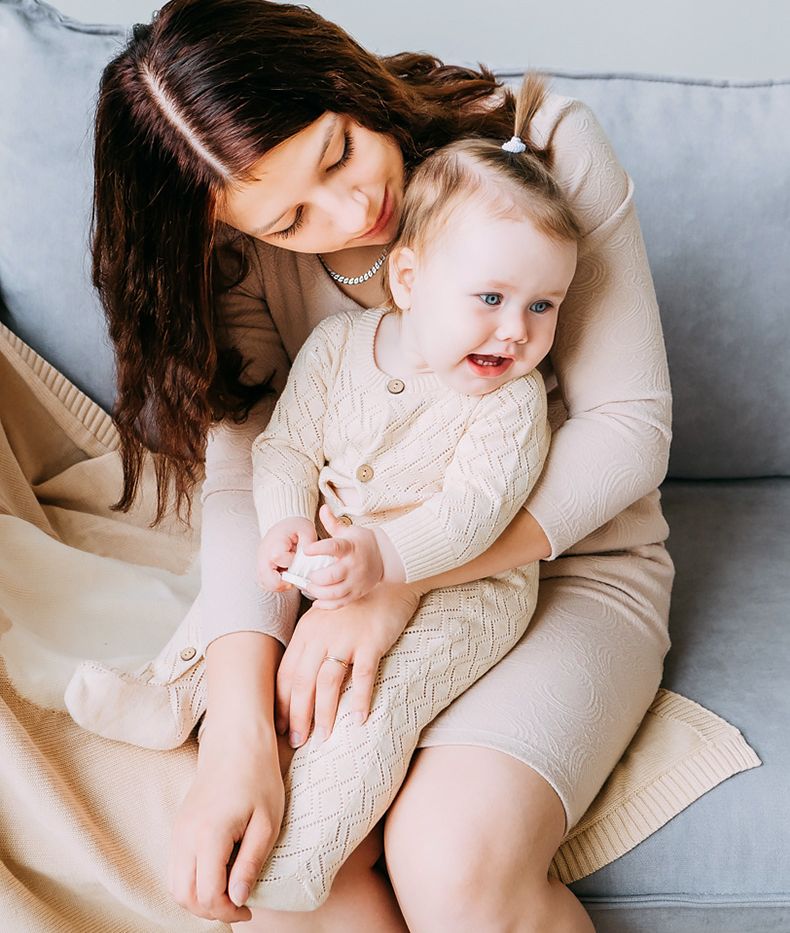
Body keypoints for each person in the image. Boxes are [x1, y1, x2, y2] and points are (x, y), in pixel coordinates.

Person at [90, 0, 674, 929]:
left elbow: (628, 431)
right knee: (278, 868)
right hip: (345, 580)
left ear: (344, 80)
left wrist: (403, 574)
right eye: (292, 218)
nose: (354, 208)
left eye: (339, 152)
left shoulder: (543, 146)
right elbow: (250, 471)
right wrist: (240, 739)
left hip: (565, 568)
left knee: (451, 862)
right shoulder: (238, 252)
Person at [243, 105, 579, 907]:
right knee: (262, 651)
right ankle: (162, 695)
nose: (517, 331)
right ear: (408, 279)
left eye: (544, 306)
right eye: (493, 297)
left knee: (373, 700)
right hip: (348, 562)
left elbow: (474, 513)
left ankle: (302, 859)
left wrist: (387, 566)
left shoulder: (510, 401)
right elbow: (283, 445)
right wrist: (285, 521)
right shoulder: (335, 350)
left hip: (469, 588)